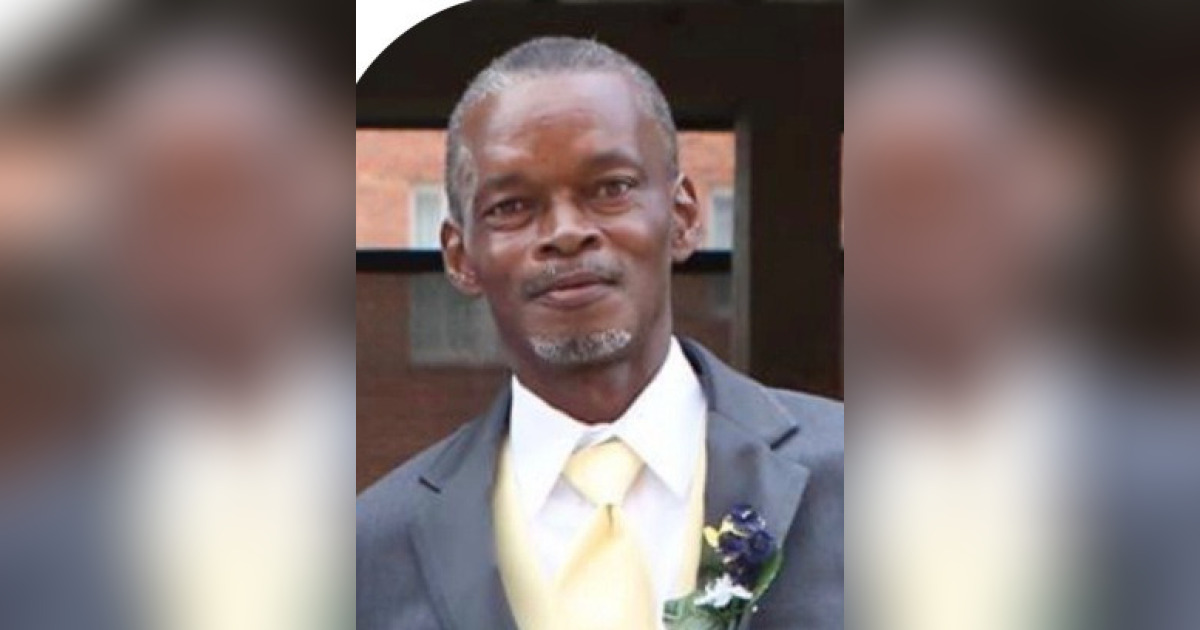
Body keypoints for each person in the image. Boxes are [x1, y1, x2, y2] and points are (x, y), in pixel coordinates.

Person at [356, 37, 843, 630]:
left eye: (611, 188)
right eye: (511, 206)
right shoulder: (368, 554)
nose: (566, 232)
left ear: (685, 217)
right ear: (460, 257)